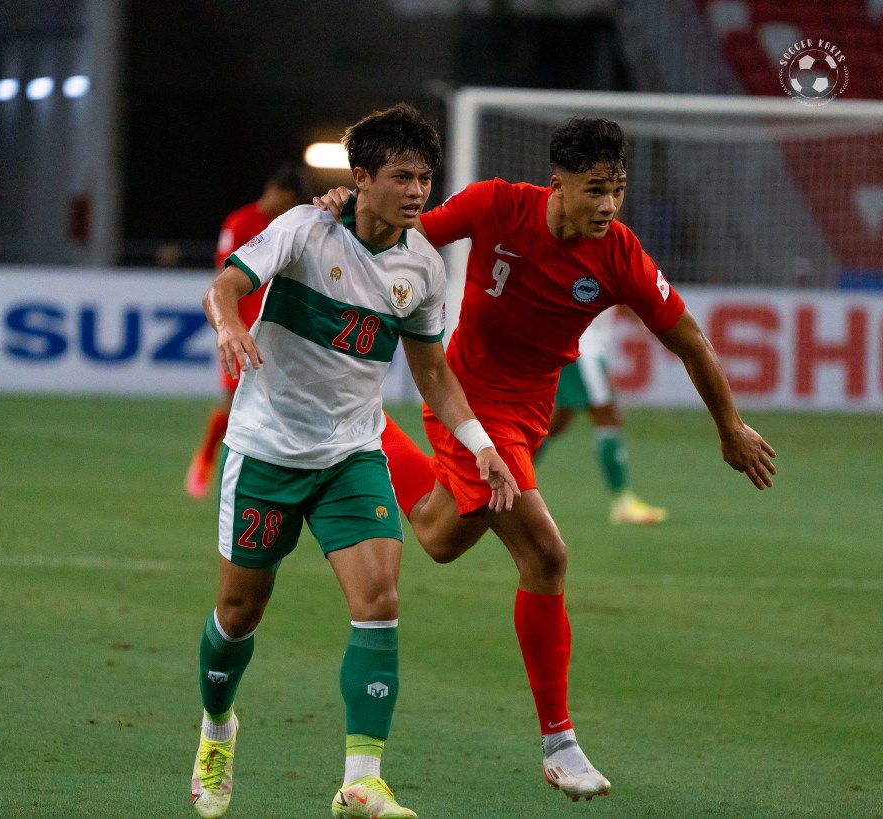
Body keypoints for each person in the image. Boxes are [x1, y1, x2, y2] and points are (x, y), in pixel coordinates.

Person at [316, 116, 776, 802]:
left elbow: (690, 339)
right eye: (596, 189)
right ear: (558, 183)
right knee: (546, 554)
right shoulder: (497, 204)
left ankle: (369, 429)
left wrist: (730, 426)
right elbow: (402, 234)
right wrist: (345, 211)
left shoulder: (619, 254)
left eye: (618, 188)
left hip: (528, 414)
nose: (609, 204)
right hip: (466, 399)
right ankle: (559, 743)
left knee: (440, 537)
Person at [189, 103, 519, 819]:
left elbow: (431, 372)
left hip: (351, 454)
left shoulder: (423, 267)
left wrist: (482, 445)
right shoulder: (305, 229)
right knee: (238, 613)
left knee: (379, 602)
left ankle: (361, 780)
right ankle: (217, 728)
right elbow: (223, 287)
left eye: (425, 177)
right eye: (401, 176)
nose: (417, 191)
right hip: (267, 451)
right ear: (361, 179)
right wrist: (231, 325)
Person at [184, 162, 310, 498]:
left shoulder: (288, 227)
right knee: (234, 403)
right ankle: (207, 458)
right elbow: (222, 278)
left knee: (278, 405)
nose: (286, 208)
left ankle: (275, 475)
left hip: (278, 328)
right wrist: (229, 323)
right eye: (286, 201)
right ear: (274, 190)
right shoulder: (240, 223)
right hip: (241, 330)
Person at [535, 306, 668, 525]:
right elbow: (625, 297)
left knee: (557, 421)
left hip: (581, 343)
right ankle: (623, 502)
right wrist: (650, 324)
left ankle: (506, 475)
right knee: (608, 417)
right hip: (583, 348)